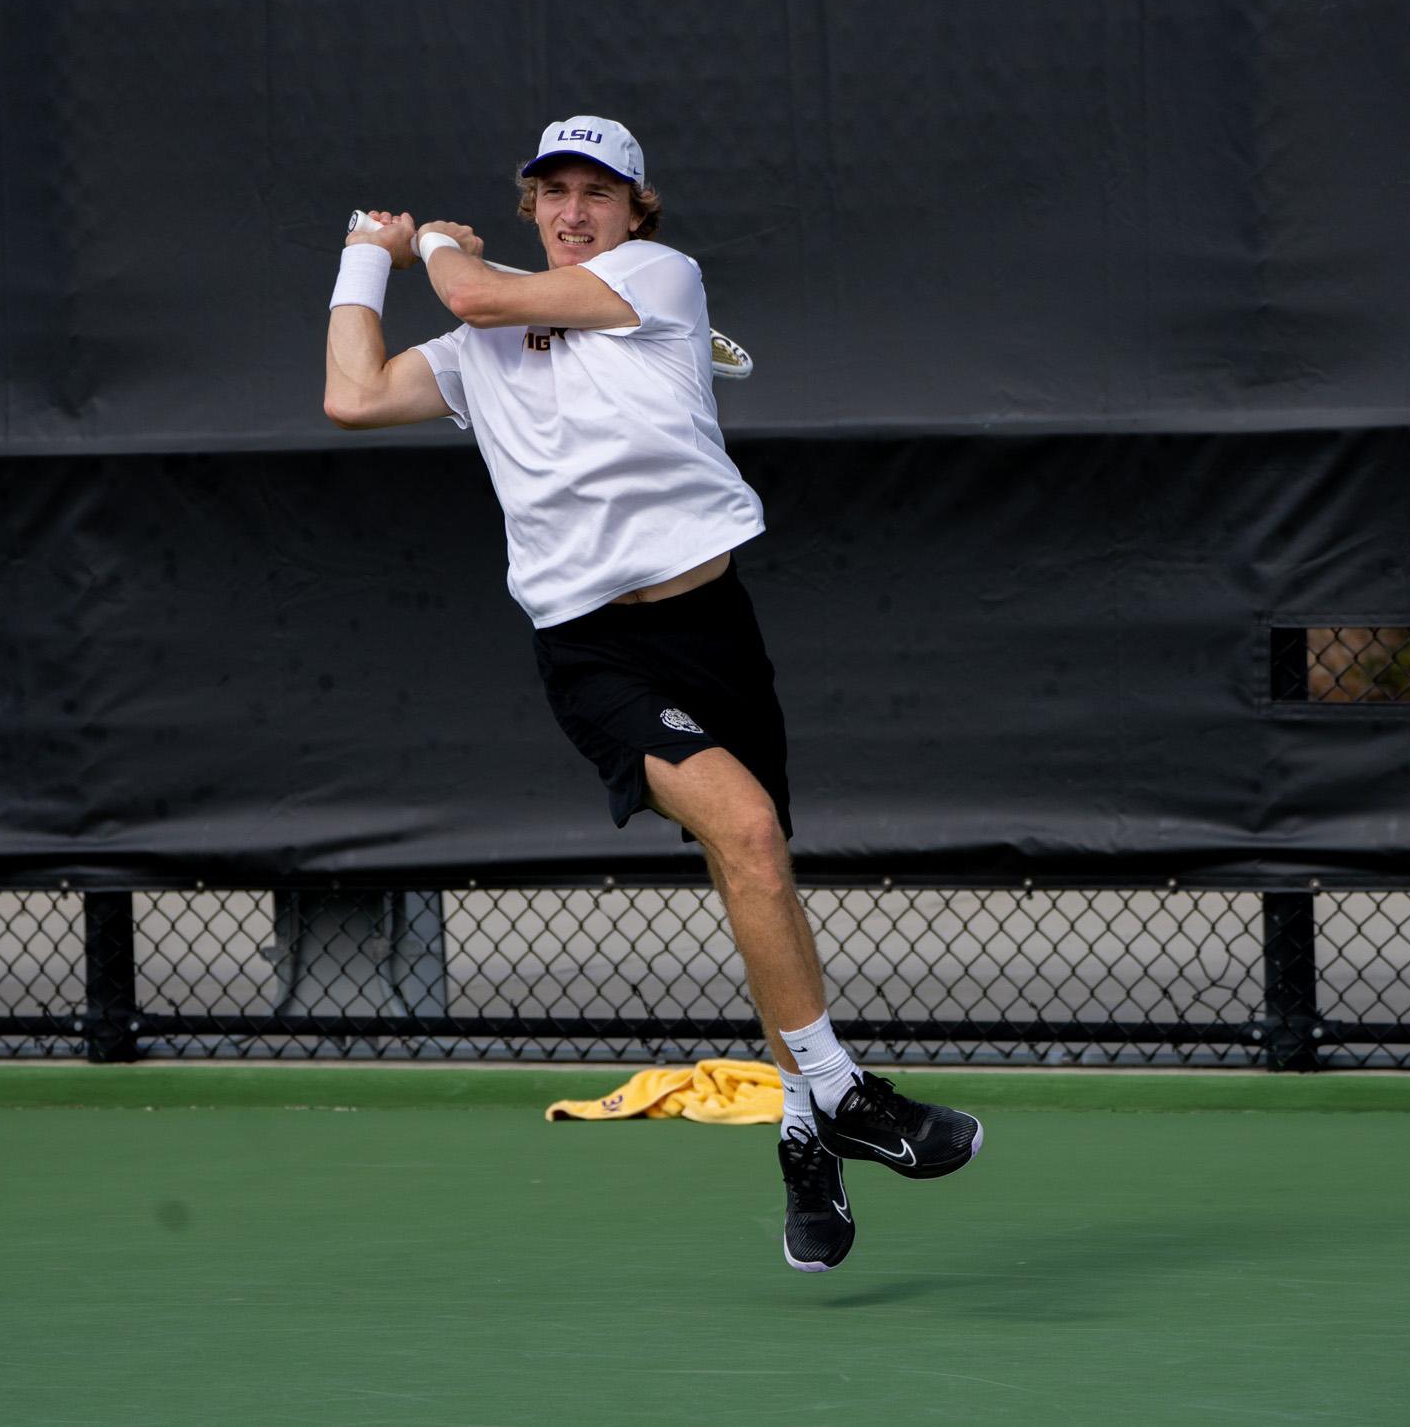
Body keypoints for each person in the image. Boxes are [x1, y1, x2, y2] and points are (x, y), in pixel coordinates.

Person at [321, 115, 981, 1271]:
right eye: (554, 192)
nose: (574, 210)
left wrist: (428, 240)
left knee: (755, 867)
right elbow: (355, 397)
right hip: (593, 653)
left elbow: (474, 296)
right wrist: (364, 258)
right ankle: (846, 1095)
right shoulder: (478, 344)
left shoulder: (658, 279)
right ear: (530, 206)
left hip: (713, 629)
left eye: (597, 193)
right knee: (747, 830)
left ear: (635, 211)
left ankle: (802, 1137)